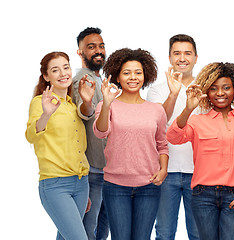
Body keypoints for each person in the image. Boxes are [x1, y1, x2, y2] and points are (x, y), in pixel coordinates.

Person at [167, 62, 234, 240]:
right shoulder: (197, 121)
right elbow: (174, 137)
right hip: (203, 197)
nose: (220, 93)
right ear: (207, 91)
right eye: (214, 88)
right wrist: (188, 108)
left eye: (226, 88)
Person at [93, 48, 169, 240]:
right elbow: (101, 132)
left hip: (149, 184)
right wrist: (108, 104)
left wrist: (164, 169)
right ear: (117, 76)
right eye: (126, 73)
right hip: (115, 185)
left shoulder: (156, 110)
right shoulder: (106, 105)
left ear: (145, 76)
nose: (133, 77)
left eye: (138, 72)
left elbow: (162, 143)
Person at [26, 51, 94, 240]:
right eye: (55, 70)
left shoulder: (72, 106)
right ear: (46, 77)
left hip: (81, 183)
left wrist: (83, 187)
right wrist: (46, 114)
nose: (63, 73)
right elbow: (31, 135)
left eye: (66, 67)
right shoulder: (40, 103)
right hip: (55, 184)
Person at [147, 34, 199, 240]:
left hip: (199, 172)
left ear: (196, 57)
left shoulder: (206, 89)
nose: (182, 58)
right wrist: (174, 93)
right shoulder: (157, 91)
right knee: (164, 233)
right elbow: (159, 121)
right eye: (177, 53)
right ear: (169, 58)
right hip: (165, 172)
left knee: (198, 233)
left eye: (187, 53)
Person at [72, 27, 109, 240]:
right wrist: (86, 103)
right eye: (91, 46)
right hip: (93, 170)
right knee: (88, 229)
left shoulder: (100, 80)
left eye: (101, 46)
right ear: (80, 52)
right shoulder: (82, 80)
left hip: (107, 169)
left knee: (102, 228)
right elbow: (83, 112)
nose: (98, 51)